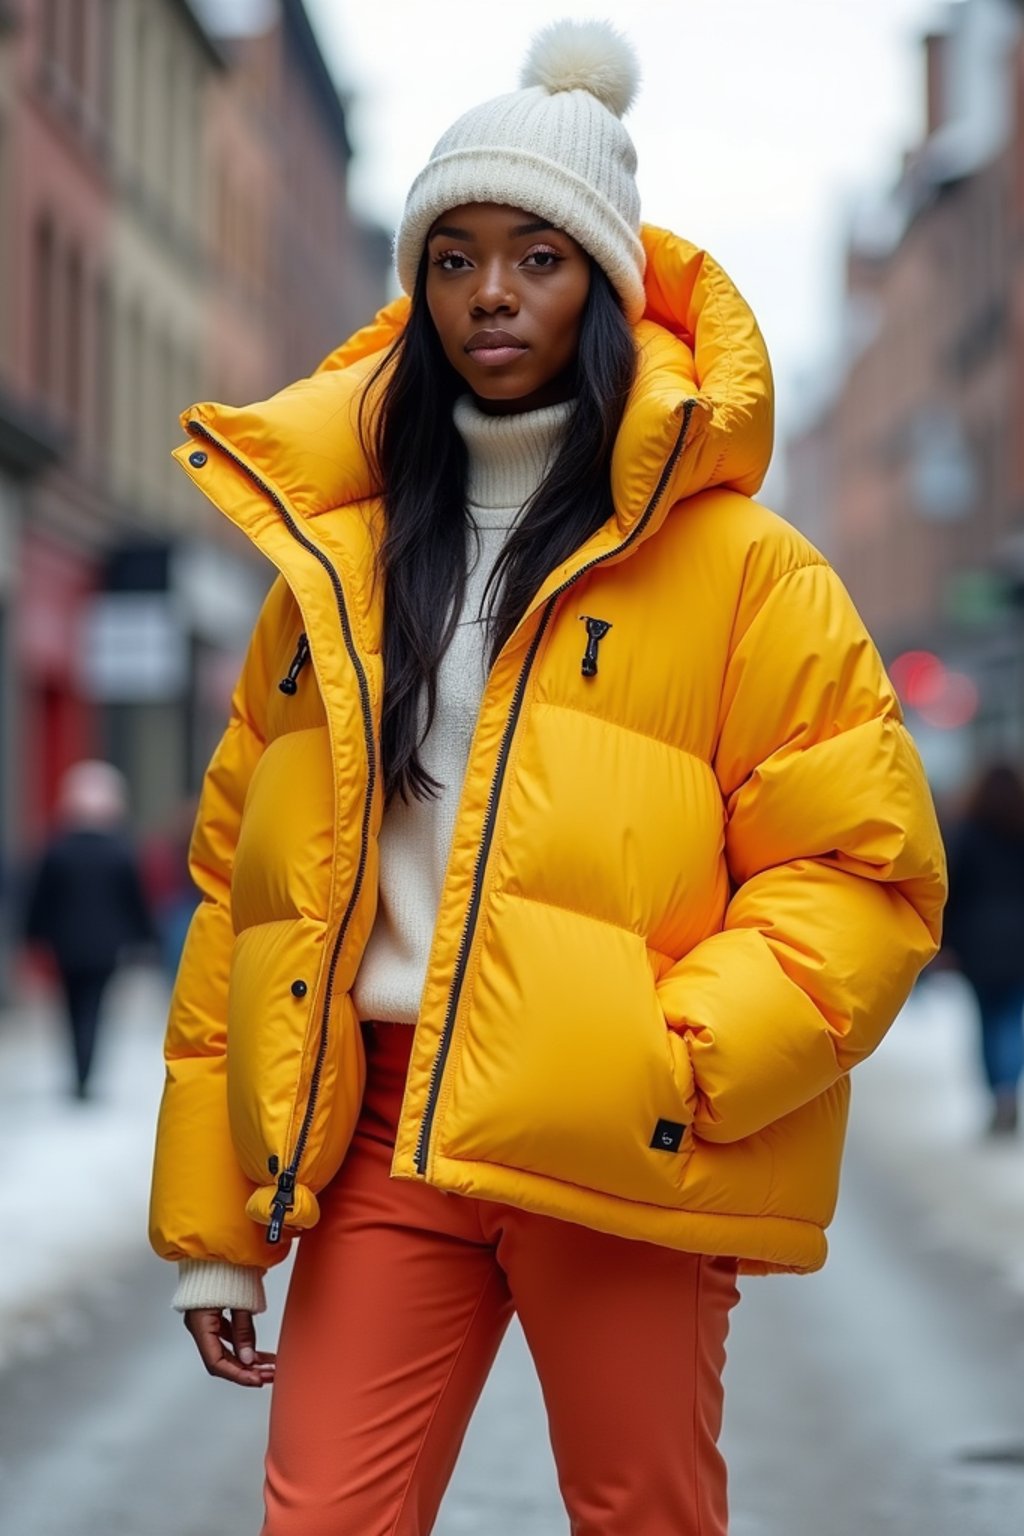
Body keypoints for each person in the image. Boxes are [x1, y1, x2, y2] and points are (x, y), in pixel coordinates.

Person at [149, 22, 947, 1535]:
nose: (491, 294)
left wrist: (684, 1063)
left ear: (602, 283)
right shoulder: (340, 566)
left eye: (535, 255)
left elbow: (864, 872)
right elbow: (240, 893)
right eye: (452, 259)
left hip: (618, 1141)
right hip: (381, 1141)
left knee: (645, 1515)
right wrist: (215, 1222)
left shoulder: (743, 571)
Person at [23, 759, 153, 1098]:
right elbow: (135, 900)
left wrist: (32, 938)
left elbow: (40, 899)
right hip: (107, 946)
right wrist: (145, 938)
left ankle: (78, 1071)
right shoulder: (120, 851)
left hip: (66, 944)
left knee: (70, 1007)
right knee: (95, 1006)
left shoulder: (57, 850)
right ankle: (87, 1072)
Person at [942, 762, 1024, 1135]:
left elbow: (950, 889)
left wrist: (946, 943)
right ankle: (1007, 1090)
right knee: (1011, 1018)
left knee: (988, 1021)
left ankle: (999, 1093)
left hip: (979, 945)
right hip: (1018, 942)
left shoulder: (968, 832)